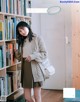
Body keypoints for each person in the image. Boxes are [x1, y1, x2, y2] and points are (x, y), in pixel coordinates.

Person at [14, 21, 48, 102]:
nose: (22, 32)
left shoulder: (37, 38)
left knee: (37, 96)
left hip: (36, 69)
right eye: (19, 31)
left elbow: (44, 54)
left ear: (28, 27)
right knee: (27, 97)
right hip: (25, 69)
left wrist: (32, 56)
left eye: (22, 29)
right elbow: (20, 58)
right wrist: (16, 52)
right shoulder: (22, 41)